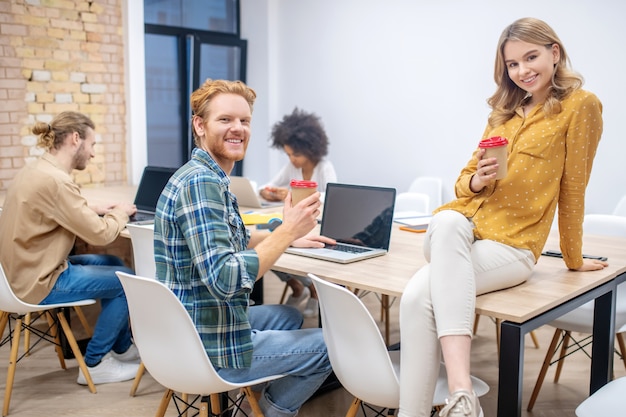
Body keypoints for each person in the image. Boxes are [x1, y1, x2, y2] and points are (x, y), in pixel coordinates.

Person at [398, 17, 607, 417]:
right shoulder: (504, 113)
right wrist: (476, 181)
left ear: (554, 53)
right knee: (446, 220)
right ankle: (464, 394)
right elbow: (462, 181)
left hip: (512, 247)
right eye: (512, 64)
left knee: (416, 298)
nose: (522, 70)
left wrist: (573, 258)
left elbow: (574, 188)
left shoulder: (581, 106)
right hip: (460, 233)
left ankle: (428, 409)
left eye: (531, 57)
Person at [153, 79, 334, 417]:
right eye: (225, 120)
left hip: (189, 325)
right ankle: (263, 412)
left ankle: (255, 394)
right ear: (200, 125)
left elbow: (231, 240)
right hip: (207, 344)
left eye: (245, 121)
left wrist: (286, 237)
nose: (238, 128)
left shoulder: (203, 175)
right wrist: (287, 230)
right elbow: (227, 279)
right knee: (331, 346)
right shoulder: (201, 184)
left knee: (290, 315)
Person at [0, 111, 141, 386]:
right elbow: (101, 233)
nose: (92, 153)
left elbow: (54, 208)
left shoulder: (37, 170)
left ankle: (121, 347)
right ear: (76, 139)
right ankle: (96, 362)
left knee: (114, 262)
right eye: (93, 145)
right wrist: (121, 213)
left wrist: (90, 208)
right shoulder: (57, 182)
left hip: (20, 272)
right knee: (129, 281)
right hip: (39, 280)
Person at [260, 107, 338, 317]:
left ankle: (313, 290)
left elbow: (332, 195)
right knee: (270, 242)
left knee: (279, 242)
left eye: (296, 154)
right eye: (288, 154)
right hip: (296, 226)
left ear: (310, 149)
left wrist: (294, 193)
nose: (292, 159)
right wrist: (268, 193)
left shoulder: (324, 167)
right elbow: (269, 186)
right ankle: (298, 286)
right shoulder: (291, 167)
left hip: (316, 225)